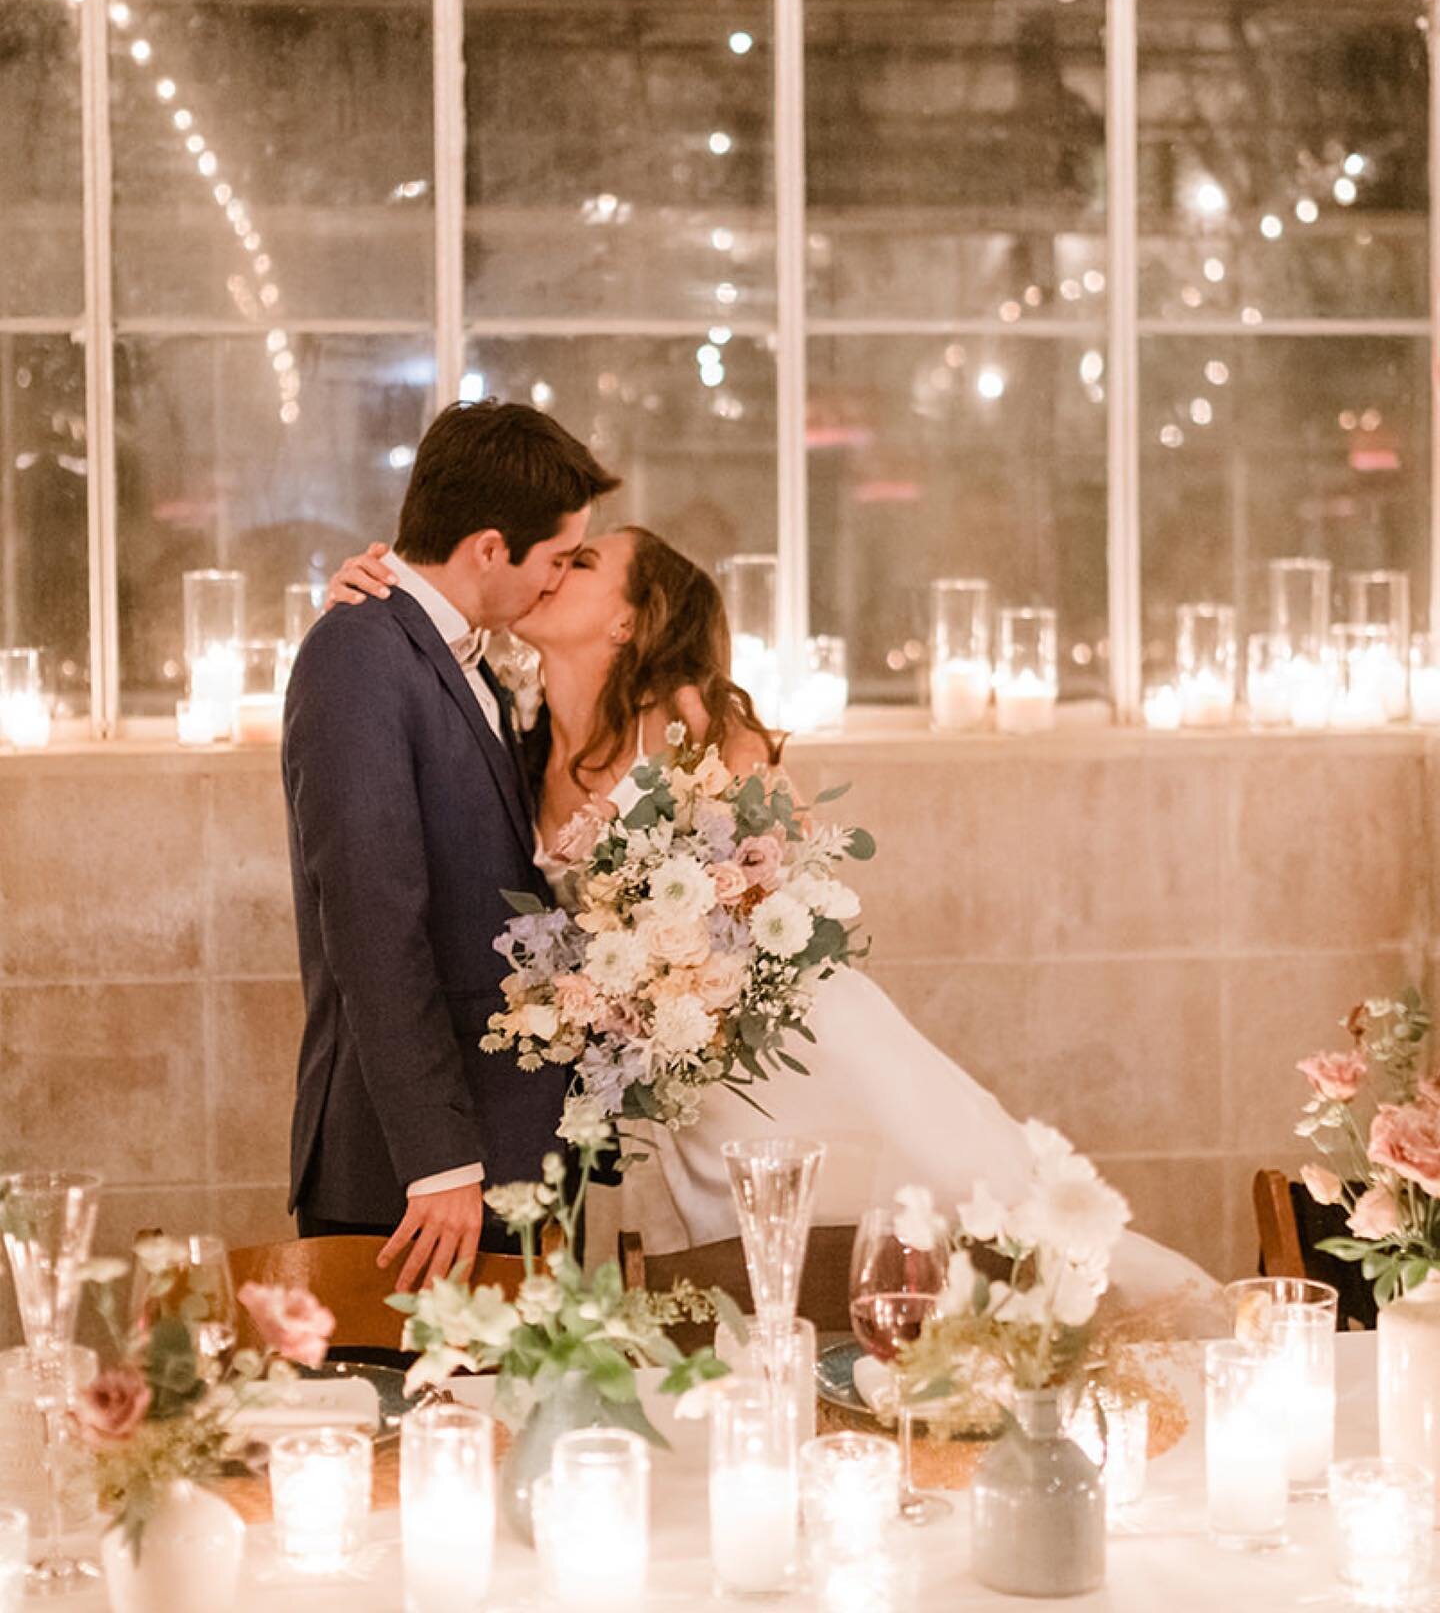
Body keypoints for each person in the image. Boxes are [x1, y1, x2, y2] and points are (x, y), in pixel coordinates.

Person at [327, 524, 1216, 1304]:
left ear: (628, 618)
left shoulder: (691, 722)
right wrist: (370, 595)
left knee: (953, 1209)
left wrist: (682, 951)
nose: (551, 567)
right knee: (728, 1279)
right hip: (675, 1085)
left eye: (583, 561)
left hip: (801, 1050)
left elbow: (769, 878)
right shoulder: (511, 732)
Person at [283, 400, 618, 1292]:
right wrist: (438, 1160)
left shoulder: (469, 666)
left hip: (501, 1143)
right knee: (407, 1431)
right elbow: (372, 918)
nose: (556, 583)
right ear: (486, 548)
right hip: (418, 1176)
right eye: (553, 561)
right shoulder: (358, 653)